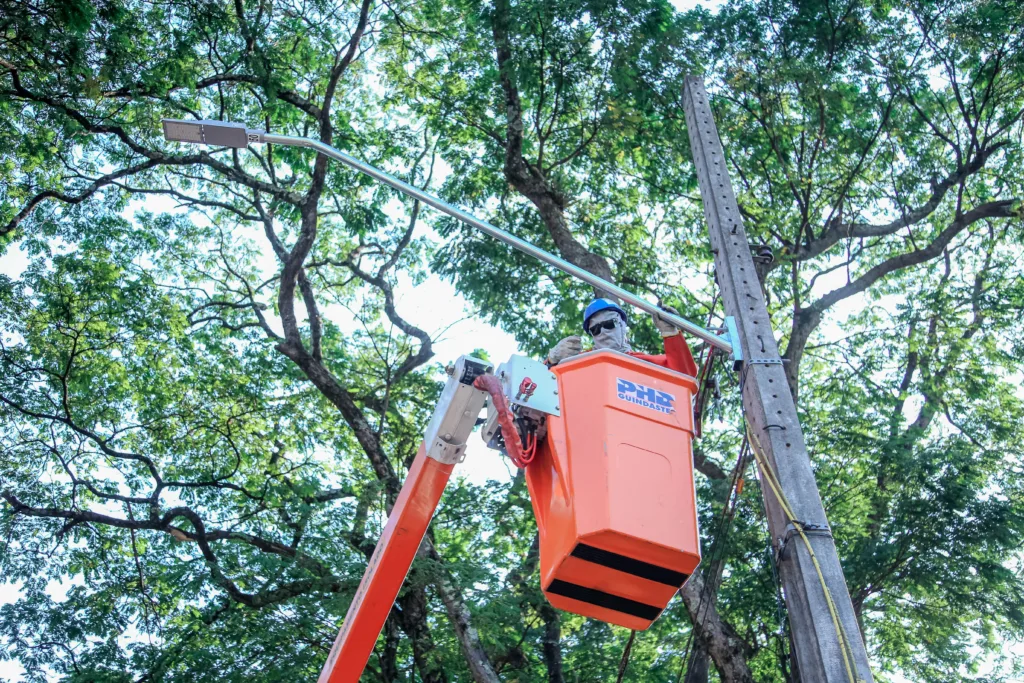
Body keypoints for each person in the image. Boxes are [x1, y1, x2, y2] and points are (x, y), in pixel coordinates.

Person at [545, 298, 698, 376]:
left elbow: (685, 376)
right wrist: (552, 361)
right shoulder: (579, 362)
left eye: (609, 324)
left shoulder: (644, 362)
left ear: (622, 325)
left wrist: (670, 333)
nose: (603, 331)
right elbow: (535, 390)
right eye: (596, 329)